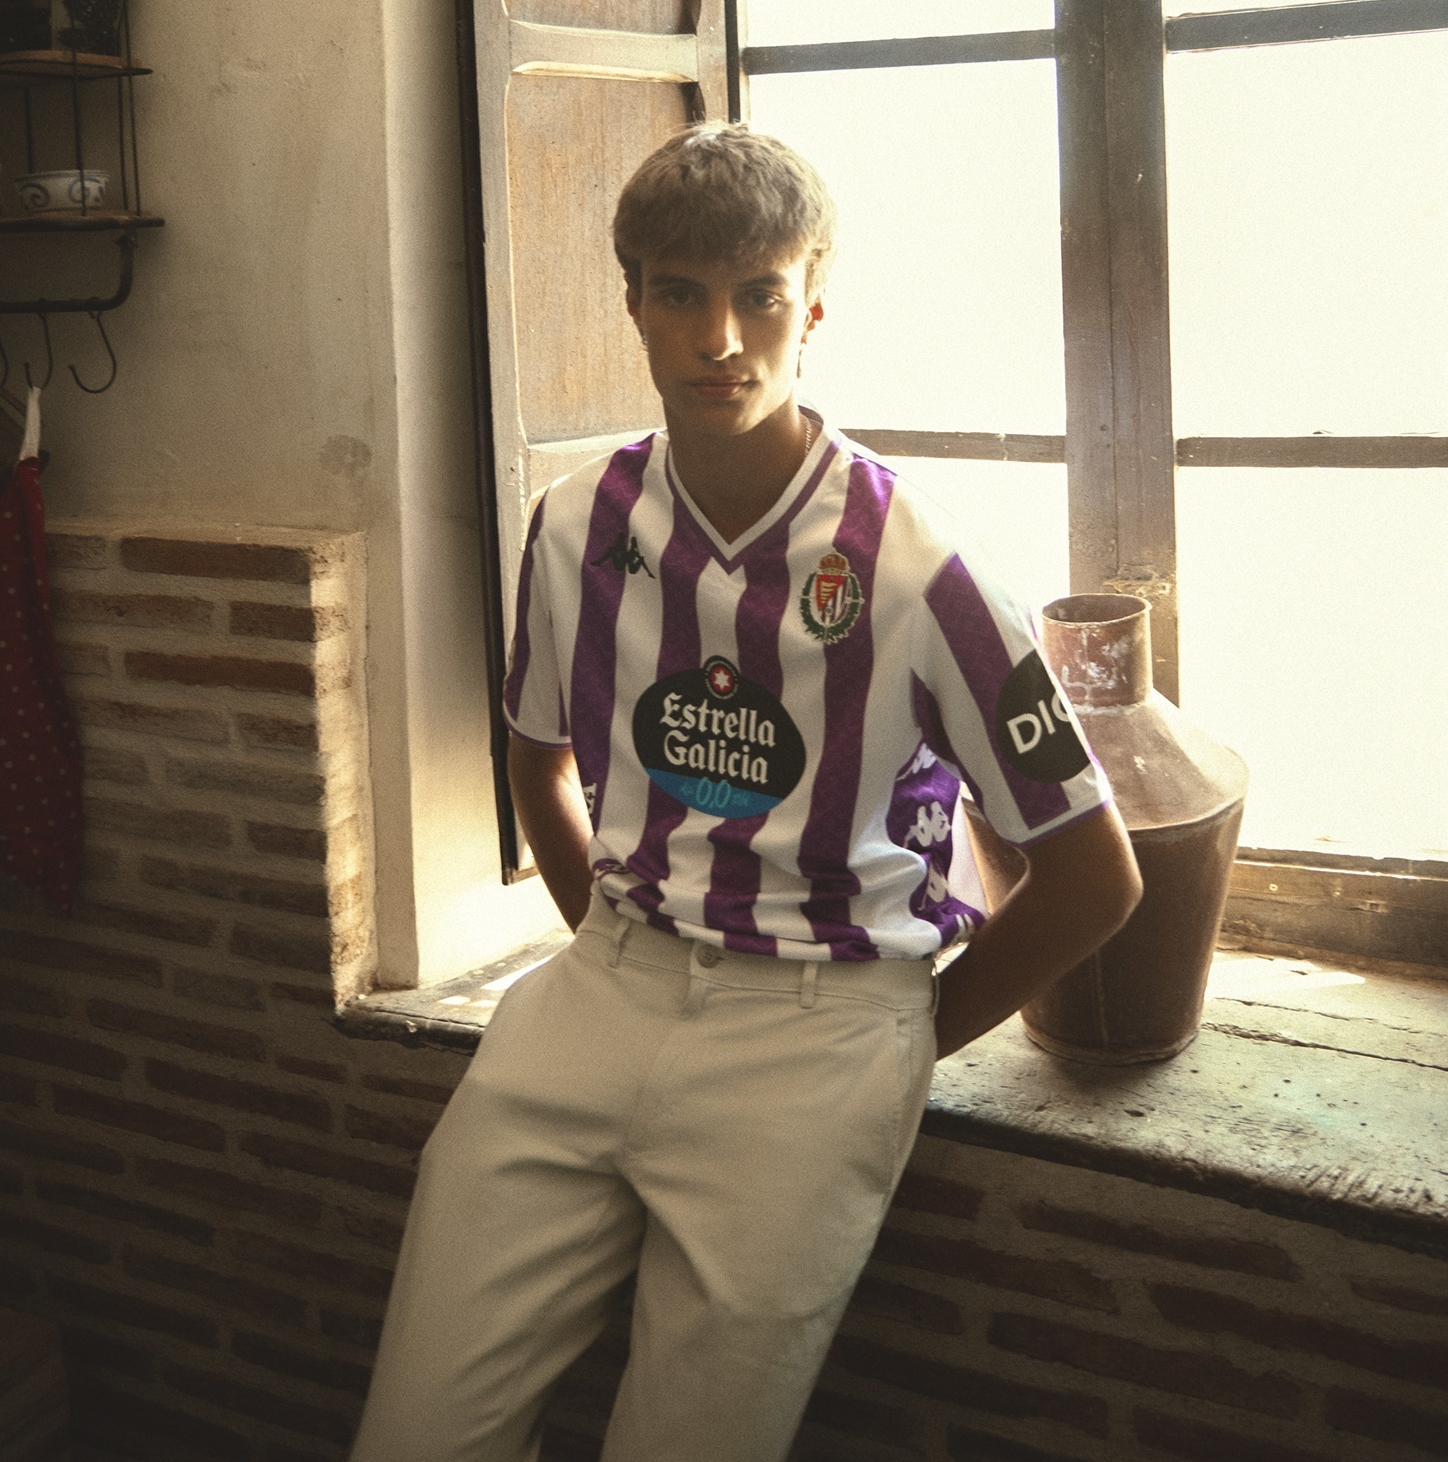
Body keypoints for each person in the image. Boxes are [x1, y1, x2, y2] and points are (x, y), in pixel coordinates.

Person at [350, 123, 1142, 1462]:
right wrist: (610, 936)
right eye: (681, 294)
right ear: (633, 304)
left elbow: (1094, 875)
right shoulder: (575, 524)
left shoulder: (918, 564)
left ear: (812, 305)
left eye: (759, 295)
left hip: (820, 1034)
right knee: (418, 1432)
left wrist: (901, 1045)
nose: (721, 339)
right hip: (601, 991)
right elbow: (537, 756)